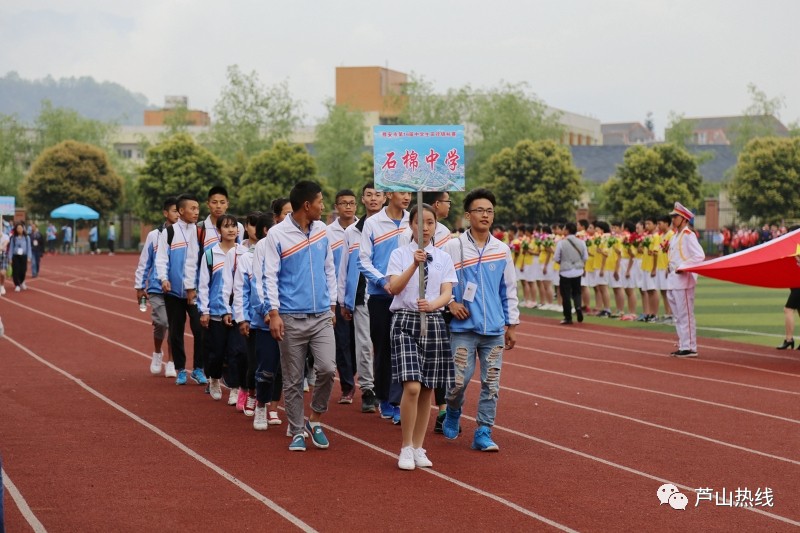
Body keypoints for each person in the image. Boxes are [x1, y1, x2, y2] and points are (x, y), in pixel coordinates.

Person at [259, 180, 337, 451]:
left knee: (327, 368)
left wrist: (333, 305)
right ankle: (296, 431)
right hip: (290, 317)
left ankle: (315, 419)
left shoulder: (322, 231)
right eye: (321, 201)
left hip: (321, 316)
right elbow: (269, 275)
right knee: (292, 379)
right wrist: (274, 313)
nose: (323, 206)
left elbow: (329, 269)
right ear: (307, 205)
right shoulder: (277, 235)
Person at [442, 188, 520, 452]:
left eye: (489, 211)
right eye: (479, 210)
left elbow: (508, 289)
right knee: (457, 381)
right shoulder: (453, 247)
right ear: (467, 215)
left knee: (492, 384)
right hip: (463, 328)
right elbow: (440, 280)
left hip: (494, 330)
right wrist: (451, 303)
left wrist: (512, 325)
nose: (485, 215)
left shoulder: (501, 250)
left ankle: (483, 431)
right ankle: (453, 410)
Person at [387, 203, 456, 470]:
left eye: (430, 222)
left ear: (435, 225)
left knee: (427, 388)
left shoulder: (443, 257)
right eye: (419, 222)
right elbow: (393, 288)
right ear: (411, 225)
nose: (425, 227)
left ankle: (418, 446)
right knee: (412, 386)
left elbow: (447, 291)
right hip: (405, 321)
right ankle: (405, 446)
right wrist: (414, 266)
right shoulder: (399, 255)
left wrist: (435, 304)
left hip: (434, 321)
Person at [359, 190, 411, 423]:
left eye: (410, 192)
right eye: (402, 192)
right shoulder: (373, 223)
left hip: (407, 297)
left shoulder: (413, 221)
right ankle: (384, 398)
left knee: (404, 350)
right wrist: (383, 281)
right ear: (389, 194)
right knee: (384, 349)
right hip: (381, 296)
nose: (407, 197)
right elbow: (363, 260)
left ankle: (399, 400)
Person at [338, 183, 385, 413]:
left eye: (378, 194)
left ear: (385, 198)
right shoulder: (352, 231)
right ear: (363, 200)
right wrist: (342, 300)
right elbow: (344, 268)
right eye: (369, 195)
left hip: (388, 294)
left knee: (386, 344)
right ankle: (368, 390)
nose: (374, 198)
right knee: (364, 344)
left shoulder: (397, 228)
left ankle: (387, 388)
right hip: (360, 294)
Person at [155, 193, 208, 385]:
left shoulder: (201, 232)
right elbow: (161, 259)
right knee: (176, 332)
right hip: (173, 293)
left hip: (196, 293)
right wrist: (163, 279)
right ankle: (180, 369)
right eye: (192, 208)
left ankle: (199, 368)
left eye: (198, 208)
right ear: (181, 210)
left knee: (200, 330)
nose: (196, 212)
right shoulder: (168, 233)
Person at [198, 214, 248, 403]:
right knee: (217, 353)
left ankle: (234, 388)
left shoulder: (244, 252)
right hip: (216, 312)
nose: (231, 230)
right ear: (219, 231)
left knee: (237, 351)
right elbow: (203, 284)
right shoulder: (210, 254)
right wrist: (205, 310)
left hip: (237, 312)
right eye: (226, 226)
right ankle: (214, 379)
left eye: (234, 226)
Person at [135, 197, 179, 377]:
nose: (178, 214)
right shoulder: (154, 235)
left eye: (179, 211)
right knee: (162, 322)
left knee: (174, 327)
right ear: (165, 213)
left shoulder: (187, 234)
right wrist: (139, 286)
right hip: (156, 288)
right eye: (175, 211)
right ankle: (157, 353)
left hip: (177, 290)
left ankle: (172, 362)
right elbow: (144, 262)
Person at [327, 189, 358, 404]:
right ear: (336, 207)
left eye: (352, 203)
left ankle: (358, 376)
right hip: (337, 297)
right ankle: (347, 385)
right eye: (344, 203)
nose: (348, 206)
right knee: (342, 342)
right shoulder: (327, 233)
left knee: (361, 342)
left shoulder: (363, 229)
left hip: (360, 295)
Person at [666, 202, 705, 358]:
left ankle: (690, 346)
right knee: (678, 315)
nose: (673, 219)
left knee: (685, 314)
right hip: (672, 280)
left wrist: (683, 266)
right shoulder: (676, 235)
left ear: (684, 219)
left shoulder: (689, 235)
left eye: (676, 217)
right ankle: (683, 344)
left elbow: (699, 256)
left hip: (683, 280)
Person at [554, 221, 589, 324]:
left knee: (566, 294)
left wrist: (563, 262)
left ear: (567, 230)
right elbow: (585, 257)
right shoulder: (581, 242)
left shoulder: (561, 243)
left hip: (565, 271)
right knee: (577, 292)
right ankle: (578, 306)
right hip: (578, 270)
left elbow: (556, 257)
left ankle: (568, 317)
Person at [9, 221, 32, 292]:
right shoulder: (13, 238)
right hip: (16, 256)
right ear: (16, 229)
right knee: (15, 271)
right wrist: (10, 258)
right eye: (18, 228)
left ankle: (22, 281)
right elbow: (11, 248)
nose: (19, 229)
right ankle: (17, 285)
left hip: (24, 256)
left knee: (23, 271)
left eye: (21, 228)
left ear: (23, 229)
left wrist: (29, 257)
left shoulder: (27, 237)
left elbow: (29, 248)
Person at [0, 225, 9, 296]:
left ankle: (2, 286)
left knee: (2, 273)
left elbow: (5, 244)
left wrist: (2, 247)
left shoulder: (5, 236)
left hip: (3, 255)